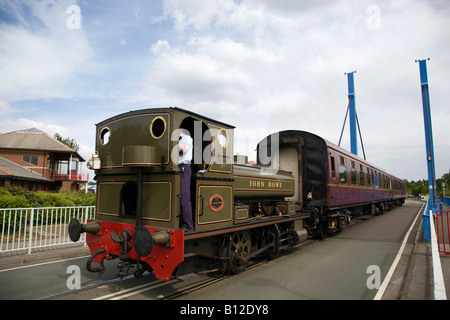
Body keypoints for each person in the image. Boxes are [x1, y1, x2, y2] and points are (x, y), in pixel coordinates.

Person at [178, 129, 194, 231]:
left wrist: (174, 142)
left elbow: (183, 150)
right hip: (176, 167)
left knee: (184, 197)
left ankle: (188, 225)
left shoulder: (186, 138)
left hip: (184, 166)